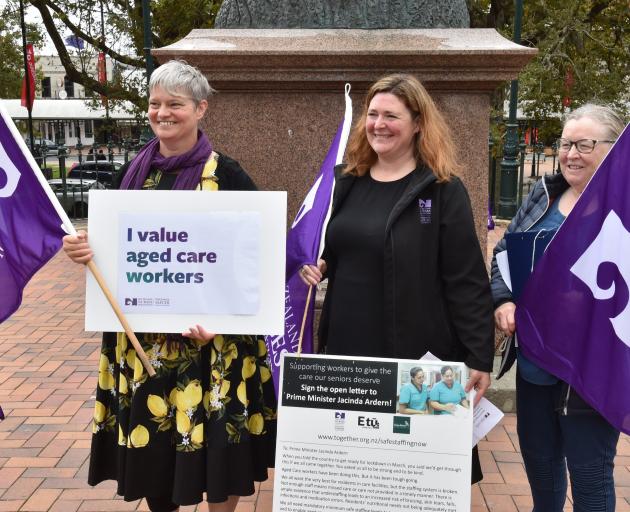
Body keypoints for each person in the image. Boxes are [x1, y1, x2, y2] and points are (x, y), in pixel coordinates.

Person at [62, 60, 276, 512]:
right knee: (154, 450)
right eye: (155, 103)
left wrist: (221, 323)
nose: (163, 113)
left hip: (212, 345)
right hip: (144, 344)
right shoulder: (131, 175)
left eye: (175, 104)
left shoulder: (229, 176)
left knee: (223, 446)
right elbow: (115, 252)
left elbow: (259, 256)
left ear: (201, 109)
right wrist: (84, 249)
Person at [300, 73, 494, 483]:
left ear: (418, 122)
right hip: (348, 353)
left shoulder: (443, 190)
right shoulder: (344, 182)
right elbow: (329, 248)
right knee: (352, 476)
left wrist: (479, 357)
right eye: (372, 114)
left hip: (419, 360)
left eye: (392, 115)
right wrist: (317, 263)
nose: (378, 124)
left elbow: (466, 279)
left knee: (419, 478)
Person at [491, 103, 624, 511]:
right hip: (535, 363)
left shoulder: (625, 209)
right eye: (566, 144)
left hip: (591, 366)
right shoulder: (543, 195)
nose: (570, 154)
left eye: (585, 144)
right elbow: (503, 255)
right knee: (541, 464)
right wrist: (504, 300)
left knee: (589, 473)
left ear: (615, 149)